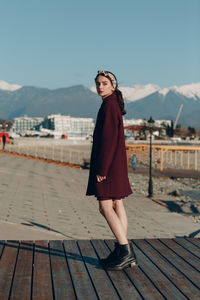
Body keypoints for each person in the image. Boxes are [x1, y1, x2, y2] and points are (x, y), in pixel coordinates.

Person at [86, 70, 137, 270]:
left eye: (104, 83)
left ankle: (124, 250)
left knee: (105, 206)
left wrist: (102, 168)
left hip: (108, 164)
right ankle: (121, 250)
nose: (100, 87)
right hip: (117, 163)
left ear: (112, 86)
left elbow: (107, 140)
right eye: (98, 83)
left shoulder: (108, 106)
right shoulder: (112, 103)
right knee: (117, 204)